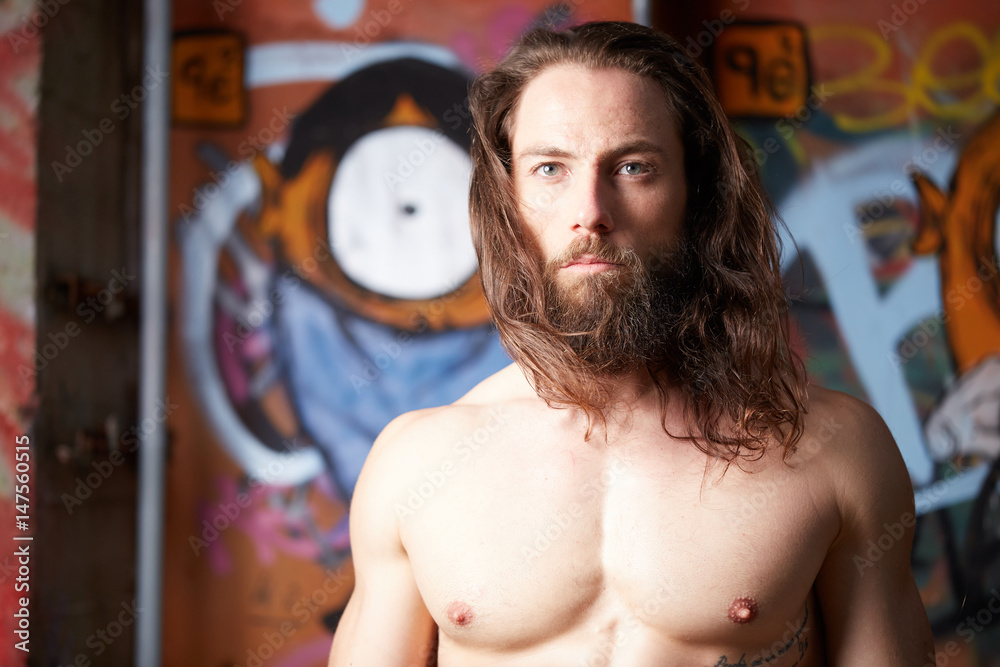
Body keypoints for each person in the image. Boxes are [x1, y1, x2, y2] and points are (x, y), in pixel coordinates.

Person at [329, 20, 934, 666]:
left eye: (633, 167)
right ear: (508, 199)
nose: (590, 211)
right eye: (550, 169)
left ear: (695, 193)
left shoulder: (835, 451)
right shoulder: (417, 466)